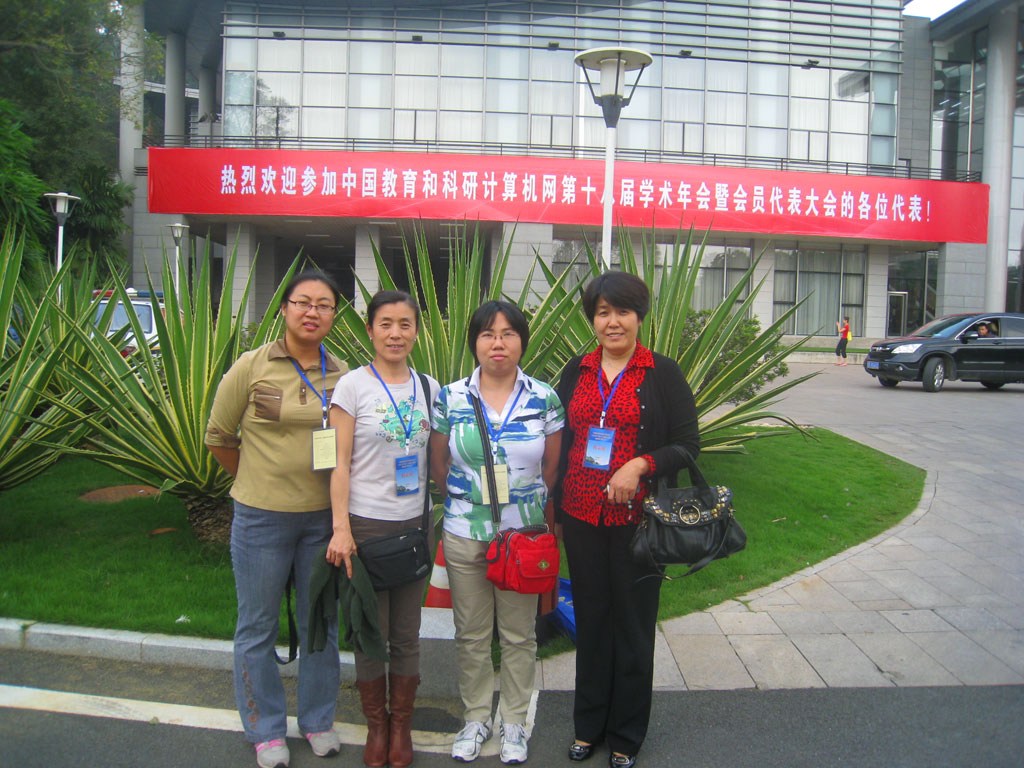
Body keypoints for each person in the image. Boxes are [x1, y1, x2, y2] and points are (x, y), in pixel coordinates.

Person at [553, 271, 700, 768]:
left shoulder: (662, 372)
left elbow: (688, 445)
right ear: (592, 319)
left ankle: (626, 734)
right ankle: (588, 725)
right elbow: (565, 442)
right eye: (602, 312)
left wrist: (640, 465)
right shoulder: (576, 370)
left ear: (639, 317)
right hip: (581, 516)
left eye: (622, 311)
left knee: (633, 626)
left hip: (639, 523)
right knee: (592, 621)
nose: (612, 322)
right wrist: (556, 510)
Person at [206, 270, 348, 768]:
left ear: (334, 315)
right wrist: (256, 479)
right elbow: (219, 436)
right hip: (260, 519)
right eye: (303, 302)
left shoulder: (343, 374)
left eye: (324, 305)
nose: (313, 312)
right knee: (258, 624)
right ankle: (265, 729)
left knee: (320, 624)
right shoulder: (251, 366)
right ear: (284, 308)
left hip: (321, 521)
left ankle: (317, 720)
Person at [429, 301, 564, 765]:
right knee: (470, 632)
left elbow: (551, 467)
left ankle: (514, 721)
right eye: (488, 334)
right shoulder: (451, 397)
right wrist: (467, 501)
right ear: (475, 343)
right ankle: (475, 717)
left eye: (508, 333)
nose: (498, 343)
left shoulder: (544, 397)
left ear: (522, 341)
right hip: (465, 531)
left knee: (519, 634)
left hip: (522, 537)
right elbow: (438, 463)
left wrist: (522, 506)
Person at [325, 290, 440, 768]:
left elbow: (439, 457)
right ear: (370, 330)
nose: (396, 334)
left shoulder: (430, 388)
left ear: (417, 331)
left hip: (415, 526)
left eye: (405, 324)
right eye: (386, 324)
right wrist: (341, 528)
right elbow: (337, 462)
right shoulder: (351, 387)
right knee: (371, 630)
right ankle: (376, 726)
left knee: (406, 633)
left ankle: (401, 725)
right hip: (366, 525)